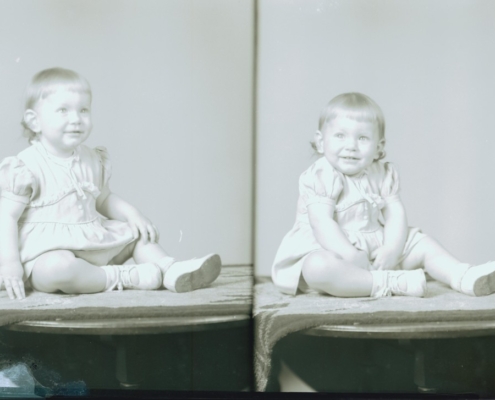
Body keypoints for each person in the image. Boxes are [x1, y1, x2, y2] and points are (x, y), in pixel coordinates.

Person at [0, 67, 221, 300]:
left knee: (137, 234)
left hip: (91, 242)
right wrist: (9, 263)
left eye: (83, 110)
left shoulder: (92, 159)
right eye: (63, 110)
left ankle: (169, 269)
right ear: (34, 121)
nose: (76, 119)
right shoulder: (26, 167)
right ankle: (123, 276)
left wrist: (133, 215)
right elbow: (6, 217)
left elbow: (104, 199)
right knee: (58, 268)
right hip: (45, 255)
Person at [272, 92, 495, 298]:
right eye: (340, 135)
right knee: (317, 267)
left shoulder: (381, 173)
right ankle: (387, 282)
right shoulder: (322, 175)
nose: (351, 146)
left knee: (422, 243)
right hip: (331, 249)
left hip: (375, 249)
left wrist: (392, 249)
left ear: (379, 147)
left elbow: (395, 213)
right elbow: (321, 223)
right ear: (321, 142)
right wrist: (350, 255)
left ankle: (461, 275)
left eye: (362, 138)